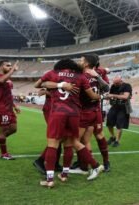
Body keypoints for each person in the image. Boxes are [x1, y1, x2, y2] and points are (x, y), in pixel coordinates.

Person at [35, 58, 104, 188]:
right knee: (70, 143)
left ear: (59, 65)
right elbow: (93, 96)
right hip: (74, 113)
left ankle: (50, 180)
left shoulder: (53, 73)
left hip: (58, 113)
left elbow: (38, 84)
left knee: (52, 144)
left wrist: (58, 85)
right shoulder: (81, 76)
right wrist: (102, 95)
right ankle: (65, 175)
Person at [70, 54, 111, 174]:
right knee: (86, 139)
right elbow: (107, 73)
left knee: (80, 140)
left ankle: (96, 164)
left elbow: (106, 87)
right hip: (95, 110)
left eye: (81, 60)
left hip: (86, 111)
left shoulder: (83, 76)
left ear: (87, 63)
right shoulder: (96, 72)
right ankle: (85, 164)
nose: (79, 61)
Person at [32, 88, 63, 174]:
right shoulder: (52, 75)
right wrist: (48, 92)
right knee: (57, 137)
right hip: (51, 109)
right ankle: (40, 160)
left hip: (60, 109)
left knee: (60, 136)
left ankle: (55, 164)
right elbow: (40, 88)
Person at [105, 76, 132, 147]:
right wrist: (107, 96)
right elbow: (110, 96)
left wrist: (113, 95)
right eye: (114, 83)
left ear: (121, 81)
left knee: (119, 124)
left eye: (116, 83)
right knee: (109, 122)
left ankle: (117, 141)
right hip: (114, 106)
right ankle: (112, 137)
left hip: (123, 107)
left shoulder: (127, 86)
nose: (115, 85)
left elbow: (125, 97)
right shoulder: (113, 86)